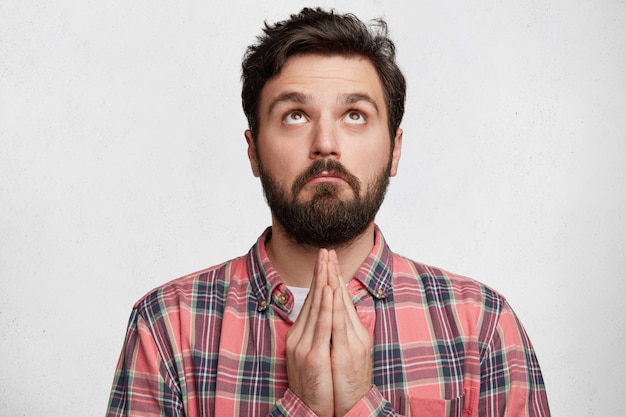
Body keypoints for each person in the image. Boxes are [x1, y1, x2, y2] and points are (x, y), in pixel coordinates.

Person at [106, 7, 550, 417]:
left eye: (354, 115)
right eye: (295, 115)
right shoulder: (167, 326)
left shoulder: (482, 328)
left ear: (394, 150)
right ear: (254, 151)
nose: (325, 143)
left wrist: (361, 404)